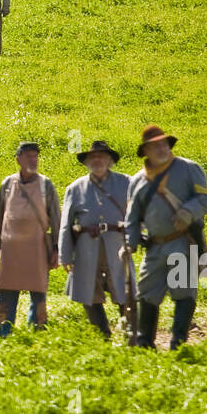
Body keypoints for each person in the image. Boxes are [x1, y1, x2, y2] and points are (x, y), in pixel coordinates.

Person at [122, 124, 207, 349]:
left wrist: (188, 211)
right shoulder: (137, 181)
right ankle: (145, 343)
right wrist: (129, 242)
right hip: (154, 246)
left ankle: (178, 343)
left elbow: (205, 200)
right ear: (146, 151)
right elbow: (132, 218)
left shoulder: (189, 169)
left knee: (183, 293)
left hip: (182, 242)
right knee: (147, 293)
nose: (161, 149)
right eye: (155, 146)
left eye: (164, 144)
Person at [59, 140, 135, 340]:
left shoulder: (127, 183)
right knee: (88, 292)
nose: (97, 160)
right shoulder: (75, 188)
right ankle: (103, 337)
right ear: (87, 162)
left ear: (110, 161)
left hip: (118, 245)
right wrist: (65, 255)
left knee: (125, 291)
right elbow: (66, 224)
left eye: (102, 156)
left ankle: (131, 335)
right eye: (93, 157)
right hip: (86, 247)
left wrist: (134, 241)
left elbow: (137, 215)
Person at [0, 142, 60, 335]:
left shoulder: (46, 185)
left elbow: (57, 219)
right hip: (10, 250)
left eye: (35, 156)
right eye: (28, 156)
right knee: (5, 295)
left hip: (37, 248)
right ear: (18, 159)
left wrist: (58, 248)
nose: (33, 160)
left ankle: (38, 333)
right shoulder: (8, 184)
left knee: (39, 295)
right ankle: (0, 332)